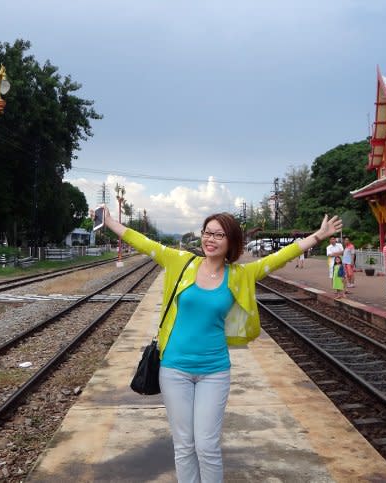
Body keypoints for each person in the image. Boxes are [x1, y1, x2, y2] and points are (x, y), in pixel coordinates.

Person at [102, 205, 341, 482]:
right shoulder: (180, 262)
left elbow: (280, 257)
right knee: (184, 444)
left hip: (214, 371)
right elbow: (143, 242)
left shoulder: (240, 275)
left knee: (207, 446)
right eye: (207, 233)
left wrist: (318, 236)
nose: (210, 239)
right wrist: (110, 223)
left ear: (231, 242)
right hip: (174, 369)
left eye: (219, 234)